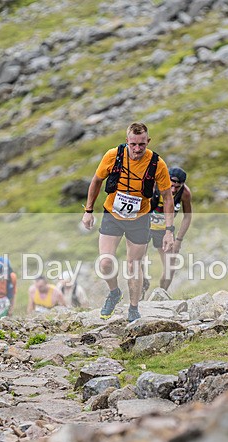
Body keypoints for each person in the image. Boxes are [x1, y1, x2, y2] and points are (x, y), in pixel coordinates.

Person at [81, 122, 174, 322]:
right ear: (127, 141)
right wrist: (88, 211)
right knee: (105, 263)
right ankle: (114, 292)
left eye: (142, 144)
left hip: (139, 219)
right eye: (133, 144)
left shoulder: (157, 164)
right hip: (112, 214)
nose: (137, 149)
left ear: (148, 141)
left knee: (134, 265)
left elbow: (167, 197)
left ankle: (133, 308)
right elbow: (96, 181)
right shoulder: (113, 156)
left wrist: (169, 230)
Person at [143, 166, 193, 295]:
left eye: (177, 187)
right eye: (171, 185)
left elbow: (187, 216)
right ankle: (142, 284)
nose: (173, 190)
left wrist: (179, 240)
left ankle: (161, 294)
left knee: (170, 266)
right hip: (145, 226)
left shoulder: (185, 193)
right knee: (137, 259)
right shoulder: (153, 185)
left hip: (165, 230)